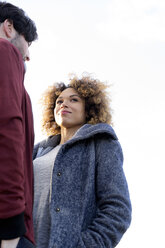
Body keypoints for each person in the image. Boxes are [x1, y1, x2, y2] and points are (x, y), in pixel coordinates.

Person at [33, 74, 132, 248]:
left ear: (89, 108)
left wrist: (84, 245)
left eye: (74, 100)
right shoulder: (38, 150)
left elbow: (118, 209)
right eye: (59, 101)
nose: (64, 104)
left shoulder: (101, 143)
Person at [0, 2, 38, 248]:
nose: (28, 54)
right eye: (28, 42)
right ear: (9, 27)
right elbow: (7, 130)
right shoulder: (5, 50)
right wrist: (12, 230)